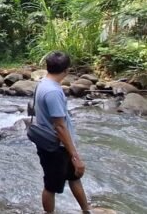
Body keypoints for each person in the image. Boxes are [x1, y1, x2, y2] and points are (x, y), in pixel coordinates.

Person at [34, 51, 91, 213]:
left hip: (56, 143)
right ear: (66, 71)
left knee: (75, 177)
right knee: (51, 186)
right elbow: (59, 126)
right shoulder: (53, 92)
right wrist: (75, 155)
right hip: (55, 147)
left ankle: (86, 210)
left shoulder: (43, 84)